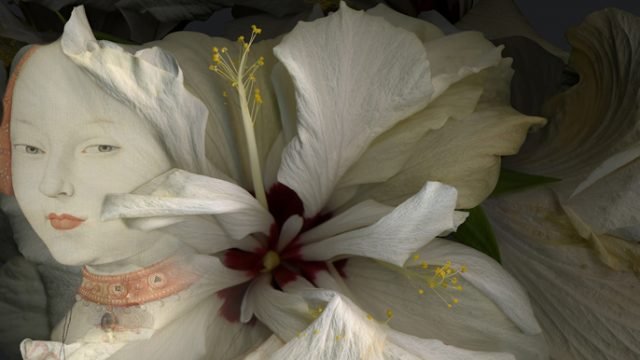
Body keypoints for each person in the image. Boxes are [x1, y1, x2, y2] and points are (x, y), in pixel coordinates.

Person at [0, 7, 268, 360]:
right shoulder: (72, 315)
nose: (51, 185)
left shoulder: (232, 326)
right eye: (30, 148)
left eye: (99, 147)